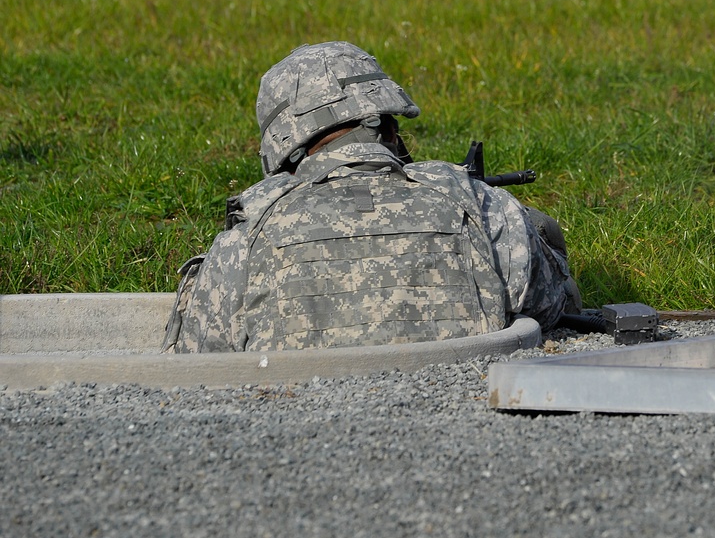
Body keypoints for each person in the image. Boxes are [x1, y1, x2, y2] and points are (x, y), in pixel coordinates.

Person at [162, 41, 580, 353]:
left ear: (286, 145)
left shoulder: (250, 229)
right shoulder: (479, 205)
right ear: (388, 128)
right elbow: (549, 305)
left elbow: (199, 355)